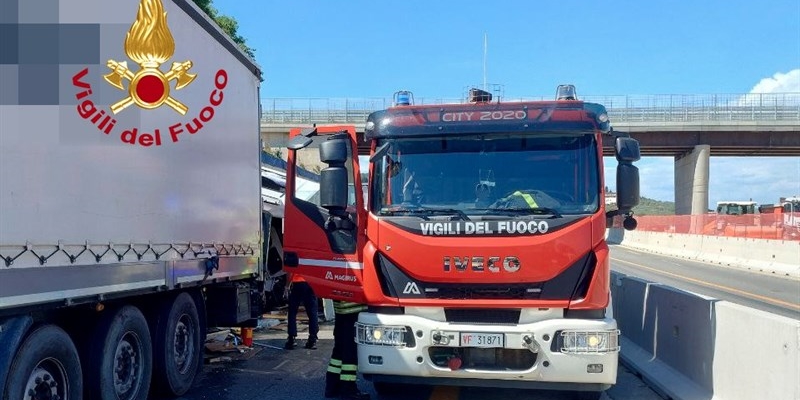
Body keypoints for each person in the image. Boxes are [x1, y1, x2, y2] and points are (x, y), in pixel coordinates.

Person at [325, 300, 370, 400]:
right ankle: (349, 389)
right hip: (353, 309)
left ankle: (332, 386)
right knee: (350, 352)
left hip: (341, 309)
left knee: (339, 351)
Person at [284, 272, 319, 350]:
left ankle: (291, 339)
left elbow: (290, 270)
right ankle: (312, 340)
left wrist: (287, 286)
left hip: (297, 284)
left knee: (292, 312)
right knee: (312, 313)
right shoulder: (312, 258)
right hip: (311, 284)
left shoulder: (296, 258)